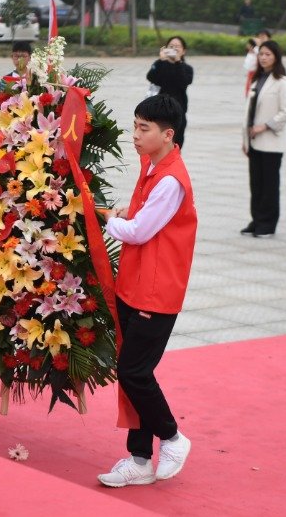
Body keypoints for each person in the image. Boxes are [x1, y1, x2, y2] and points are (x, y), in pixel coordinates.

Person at [98, 94, 197, 488]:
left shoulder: (171, 180)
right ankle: (139, 459)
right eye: (135, 126)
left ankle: (172, 437)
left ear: (167, 135)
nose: (135, 135)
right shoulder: (152, 164)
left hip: (156, 292)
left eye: (144, 128)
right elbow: (142, 216)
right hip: (134, 284)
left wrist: (109, 220)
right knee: (131, 374)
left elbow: (139, 231)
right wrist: (126, 212)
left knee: (134, 372)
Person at [241, 40, 286, 238]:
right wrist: (245, 139)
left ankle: (268, 224)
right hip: (254, 140)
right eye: (261, 54)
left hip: (271, 141)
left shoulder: (282, 82)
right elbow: (249, 111)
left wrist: (265, 126)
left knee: (269, 185)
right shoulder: (257, 79)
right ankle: (256, 220)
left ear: (276, 57)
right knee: (256, 184)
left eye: (268, 54)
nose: (263, 58)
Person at [146, 36, 193, 148]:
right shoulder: (159, 64)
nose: (174, 49)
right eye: (171, 46)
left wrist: (177, 62)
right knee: (157, 143)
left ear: (183, 51)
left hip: (178, 110)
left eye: (177, 46)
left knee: (176, 144)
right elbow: (151, 77)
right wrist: (161, 60)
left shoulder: (186, 68)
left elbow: (184, 81)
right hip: (158, 109)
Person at [242, 29, 271, 96]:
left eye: (263, 37)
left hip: (266, 77)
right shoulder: (255, 50)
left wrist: (258, 47)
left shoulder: (272, 50)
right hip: (253, 76)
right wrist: (251, 53)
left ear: (269, 39)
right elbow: (248, 67)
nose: (260, 39)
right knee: (251, 97)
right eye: (259, 37)